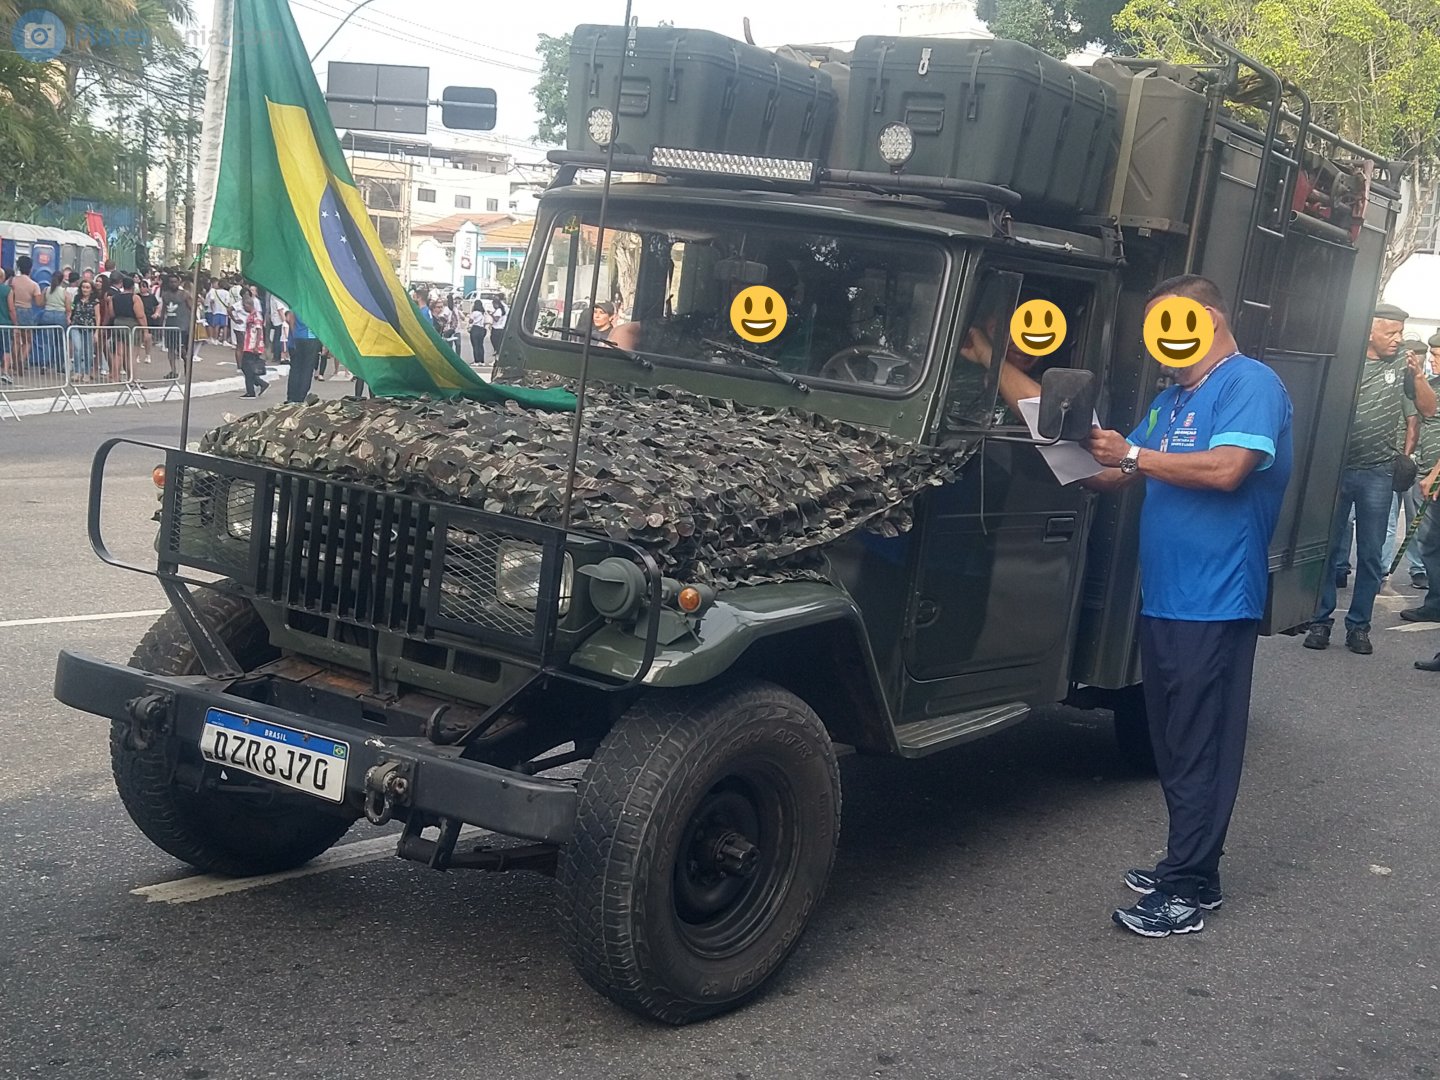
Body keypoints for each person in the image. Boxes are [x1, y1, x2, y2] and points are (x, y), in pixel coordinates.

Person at [1082, 275, 1292, 938]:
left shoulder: (1249, 383)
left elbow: (1229, 468)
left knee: (1202, 743)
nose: (1162, 340)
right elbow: (1117, 474)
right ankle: (1187, 862)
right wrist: (1070, 447)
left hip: (1216, 598)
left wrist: (1136, 454)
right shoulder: (1172, 399)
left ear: (1206, 316)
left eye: (1170, 322)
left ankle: (1190, 885)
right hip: (1168, 596)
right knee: (1174, 742)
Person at [1304, 303, 1437, 654]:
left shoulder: (1404, 367)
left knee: (1370, 553)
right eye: (1390, 332)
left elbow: (1428, 410)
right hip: (1335, 470)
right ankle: (1319, 620)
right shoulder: (1345, 362)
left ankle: (1359, 626)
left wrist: (1419, 376)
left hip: (1378, 472)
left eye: (1400, 333)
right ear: (1369, 331)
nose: (1397, 340)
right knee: (1328, 549)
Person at [10, 254, 42, 370]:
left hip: (13, 310)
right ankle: (21, 360)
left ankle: (13, 363)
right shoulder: (34, 284)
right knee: (28, 340)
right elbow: (39, 303)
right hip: (27, 311)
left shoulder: (11, 281)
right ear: (31, 268)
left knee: (16, 340)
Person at [159, 275, 193, 380]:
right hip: (170, 325)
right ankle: (173, 370)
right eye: (171, 282)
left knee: (182, 349)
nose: (173, 284)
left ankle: (187, 368)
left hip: (182, 326)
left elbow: (192, 308)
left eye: (175, 282)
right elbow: (163, 310)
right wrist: (161, 325)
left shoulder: (185, 295)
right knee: (170, 349)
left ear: (179, 283)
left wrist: (193, 324)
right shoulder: (165, 295)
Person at [68, 278, 100, 381]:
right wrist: (69, 317)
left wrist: (97, 331)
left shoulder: (95, 301)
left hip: (89, 327)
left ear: (91, 289)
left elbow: (98, 316)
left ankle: (86, 372)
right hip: (76, 325)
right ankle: (77, 371)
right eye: (83, 287)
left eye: (87, 287)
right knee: (77, 348)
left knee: (88, 351)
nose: (85, 290)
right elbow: (72, 309)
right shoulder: (77, 298)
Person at [284, 307, 319, 402]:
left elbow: (289, 318)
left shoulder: (297, 300)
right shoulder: (314, 303)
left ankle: (291, 397)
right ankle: (301, 397)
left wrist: (294, 333)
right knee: (307, 369)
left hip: (297, 337)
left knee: (295, 368)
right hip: (311, 337)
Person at [238, 295, 268, 398]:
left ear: (248, 305)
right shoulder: (251, 315)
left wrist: (256, 345)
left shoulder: (256, 316)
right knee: (247, 368)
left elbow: (259, 330)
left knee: (246, 367)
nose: (243, 308)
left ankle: (251, 391)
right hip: (248, 345)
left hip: (252, 346)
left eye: (244, 305)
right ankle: (260, 384)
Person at [0, 267, 13, 383]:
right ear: (3, 277)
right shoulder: (7, 290)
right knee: (6, 349)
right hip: (5, 323)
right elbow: (11, 309)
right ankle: (4, 372)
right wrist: (15, 323)